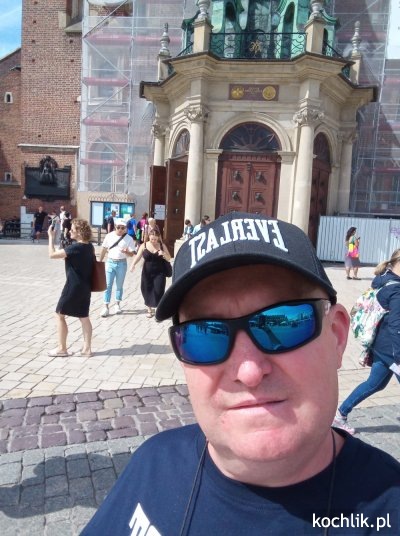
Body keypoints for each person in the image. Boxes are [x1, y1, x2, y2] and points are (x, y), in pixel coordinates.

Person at [83, 212, 400, 535]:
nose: (249, 372)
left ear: (337, 336)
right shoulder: (152, 464)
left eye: (281, 322)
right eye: (204, 334)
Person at [334, 249, 400, 434]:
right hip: (392, 349)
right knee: (374, 383)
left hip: (381, 345)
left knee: (375, 383)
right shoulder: (396, 290)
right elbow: (396, 326)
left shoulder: (384, 279)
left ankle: (340, 414)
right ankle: (340, 415)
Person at [47, 219, 94, 357]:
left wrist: (51, 237)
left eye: (72, 229)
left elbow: (51, 255)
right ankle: (87, 349)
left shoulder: (75, 247)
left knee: (59, 314)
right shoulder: (89, 246)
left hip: (73, 286)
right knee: (84, 317)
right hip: (85, 287)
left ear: (79, 232)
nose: (70, 232)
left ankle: (62, 349)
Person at [130, 229, 171, 318]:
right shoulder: (144, 245)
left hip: (160, 272)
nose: (153, 241)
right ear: (149, 237)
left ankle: (158, 309)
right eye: (152, 239)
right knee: (146, 289)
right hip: (147, 272)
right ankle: (149, 309)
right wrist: (133, 264)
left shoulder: (162, 245)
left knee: (159, 290)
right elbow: (138, 256)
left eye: (155, 239)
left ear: (158, 238)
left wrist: (163, 253)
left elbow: (169, 258)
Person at [99, 218, 135, 317]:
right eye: (118, 227)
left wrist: (127, 252)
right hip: (110, 262)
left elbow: (132, 254)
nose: (120, 229)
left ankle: (117, 304)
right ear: (115, 227)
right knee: (107, 285)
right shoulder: (109, 236)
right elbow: (104, 249)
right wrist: (100, 261)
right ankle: (106, 307)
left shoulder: (129, 238)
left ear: (125, 228)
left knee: (119, 285)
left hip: (122, 263)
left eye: (123, 228)